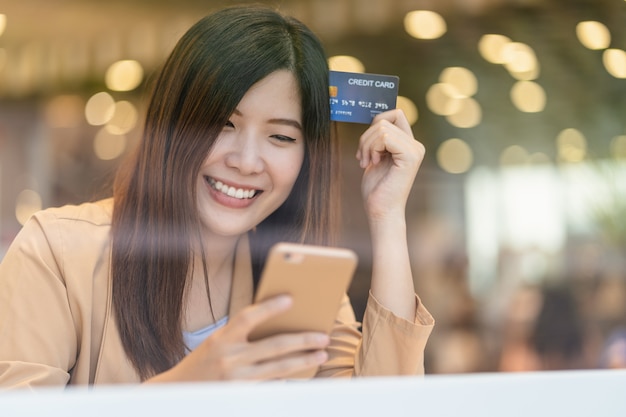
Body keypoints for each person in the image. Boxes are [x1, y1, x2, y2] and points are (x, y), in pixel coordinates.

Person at [0, 5, 433, 388]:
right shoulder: (56, 252)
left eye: (281, 136)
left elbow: (382, 404)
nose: (246, 161)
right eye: (223, 124)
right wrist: (191, 385)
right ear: (171, 126)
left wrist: (388, 216)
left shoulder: (298, 287)